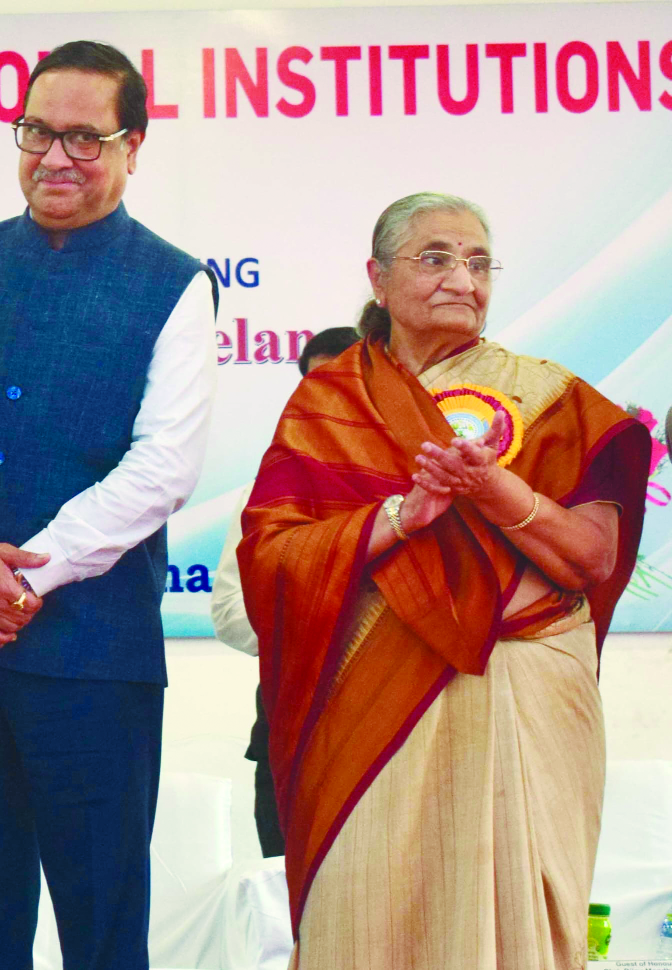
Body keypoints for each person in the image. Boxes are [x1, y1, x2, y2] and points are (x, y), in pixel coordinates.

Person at [0, 40, 216, 970]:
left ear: (133, 145)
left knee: (103, 923)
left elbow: (164, 465)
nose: (56, 157)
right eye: (36, 132)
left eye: (84, 138)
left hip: (94, 654)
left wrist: (29, 575)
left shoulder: (175, 283)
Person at [239, 192, 648, 968]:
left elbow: (593, 558)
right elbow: (274, 557)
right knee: (366, 912)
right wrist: (402, 516)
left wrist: (496, 491)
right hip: (371, 700)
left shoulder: (550, 397)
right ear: (378, 278)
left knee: (510, 923)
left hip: (525, 691)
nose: (463, 279)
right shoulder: (329, 403)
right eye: (435, 258)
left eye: (479, 263)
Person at [209, 326, 359, 859]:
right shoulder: (270, 488)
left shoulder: (426, 483)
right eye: (318, 386)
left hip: (398, 733)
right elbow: (230, 611)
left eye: (350, 383)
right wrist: (321, 625)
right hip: (289, 732)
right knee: (285, 894)